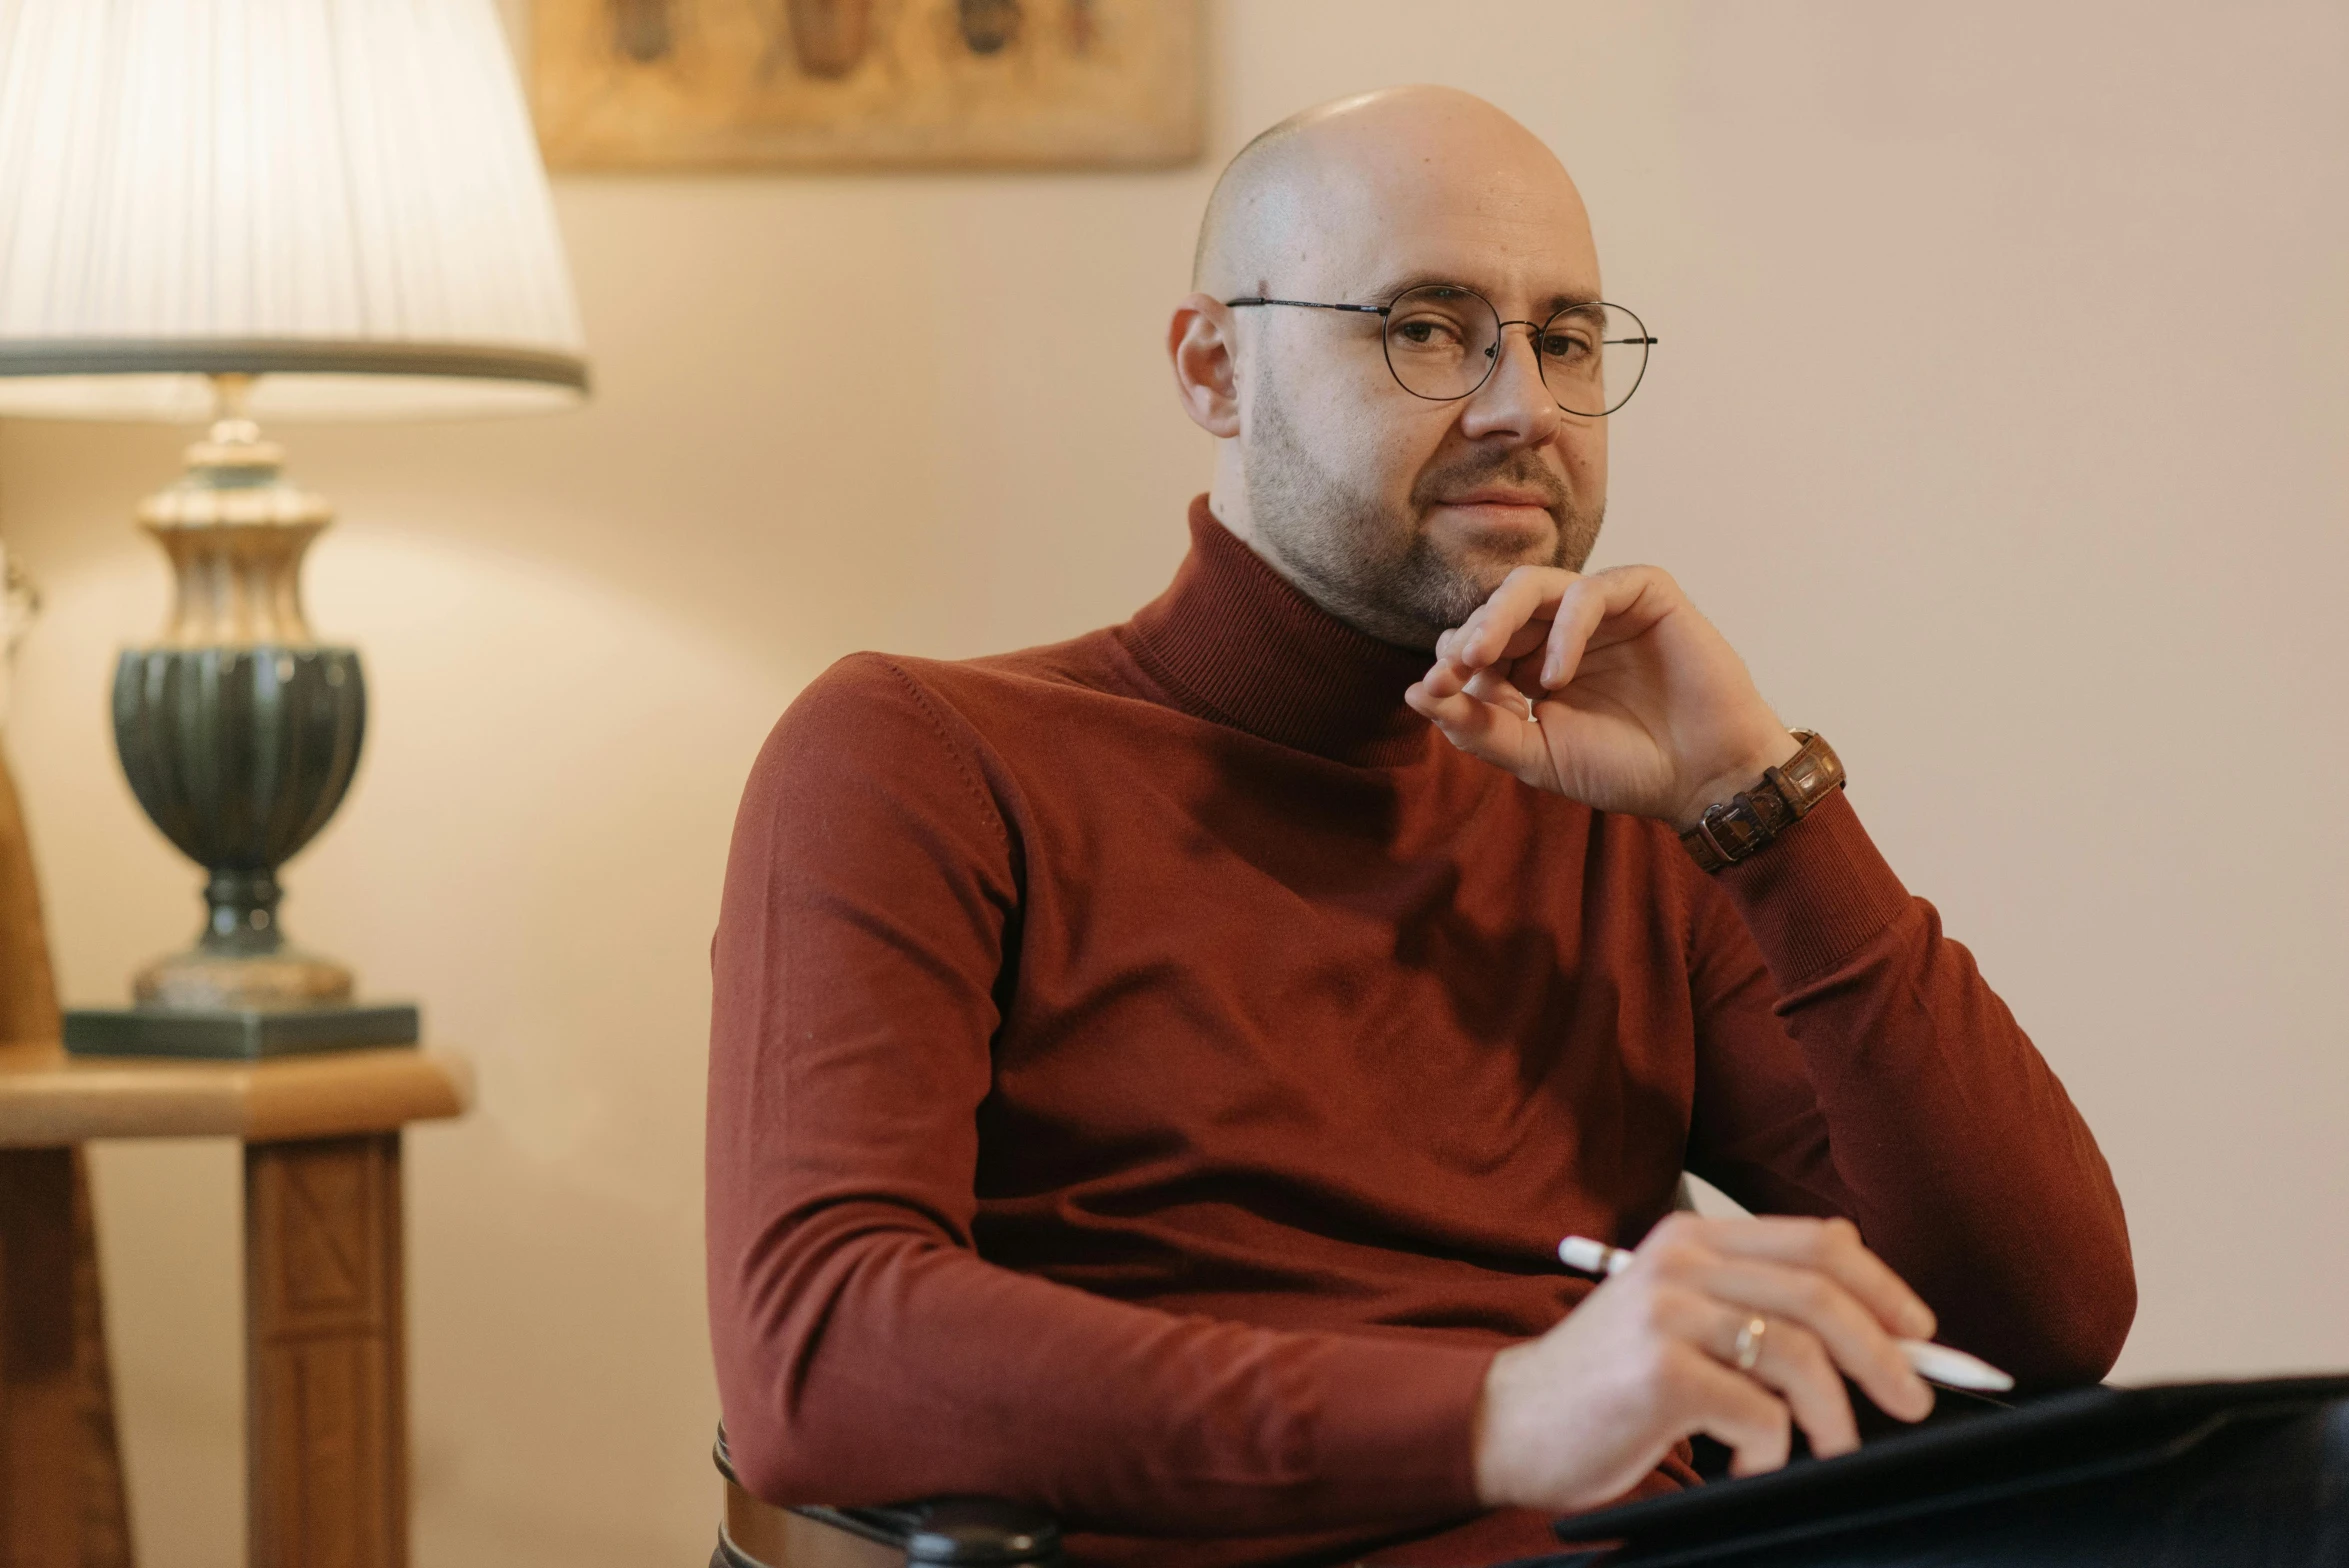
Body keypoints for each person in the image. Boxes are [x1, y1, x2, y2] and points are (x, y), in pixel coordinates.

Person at [707, 87, 2142, 1566]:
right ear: (1216, 368)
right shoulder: (923, 757)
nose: (1524, 406)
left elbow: (2041, 1321)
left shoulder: (1623, 807)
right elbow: (816, 1350)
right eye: (1427, 328)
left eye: (1567, 339)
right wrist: (1501, 1413)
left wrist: (1761, 802)